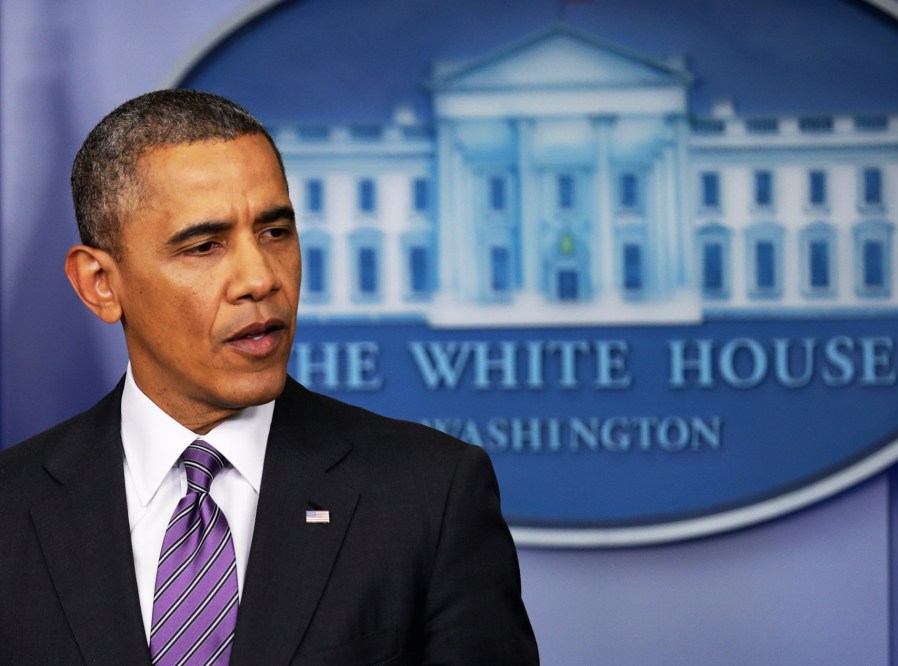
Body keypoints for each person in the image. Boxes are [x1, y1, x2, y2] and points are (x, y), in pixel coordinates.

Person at [0, 89, 538, 666]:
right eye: (205, 246)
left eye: (275, 232)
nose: (260, 278)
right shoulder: (12, 507)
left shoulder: (431, 496)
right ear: (100, 284)